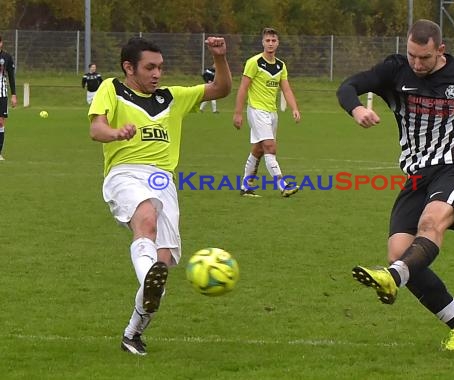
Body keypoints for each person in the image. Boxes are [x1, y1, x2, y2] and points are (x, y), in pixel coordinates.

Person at [336, 19, 454, 351]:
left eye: (424, 58)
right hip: (417, 174)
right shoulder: (395, 70)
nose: (417, 64)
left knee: (430, 223)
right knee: (400, 253)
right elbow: (347, 86)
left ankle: (391, 278)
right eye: (412, 56)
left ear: (441, 50)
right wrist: (356, 109)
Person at [88, 36, 231, 355]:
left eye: (160, 68)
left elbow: (220, 90)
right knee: (146, 219)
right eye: (149, 67)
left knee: (163, 260)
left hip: (162, 180)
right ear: (129, 68)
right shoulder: (112, 89)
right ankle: (149, 277)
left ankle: (132, 333)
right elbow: (96, 129)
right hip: (124, 172)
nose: (157, 74)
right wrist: (116, 133)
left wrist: (220, 58)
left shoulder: (172, 97)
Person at [233, 27, 301, 198]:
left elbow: (286, 89)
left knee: (258, 150)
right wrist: (238, 113)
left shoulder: (280, 65)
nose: (270, 43)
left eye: (273, 40)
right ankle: (282, 185)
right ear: (262, 42)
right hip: (256, 111)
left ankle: (245, 187)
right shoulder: (254, 62)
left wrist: (294, 108)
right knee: (270, 146)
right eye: (267, 40)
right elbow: (243, 88)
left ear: (278, 43)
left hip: (272, 113)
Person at [0, 35, 17, 161]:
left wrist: (14, 95)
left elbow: (11, 77)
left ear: (1, 43)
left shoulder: (7, 57)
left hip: (2, 94)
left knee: (0, 123)